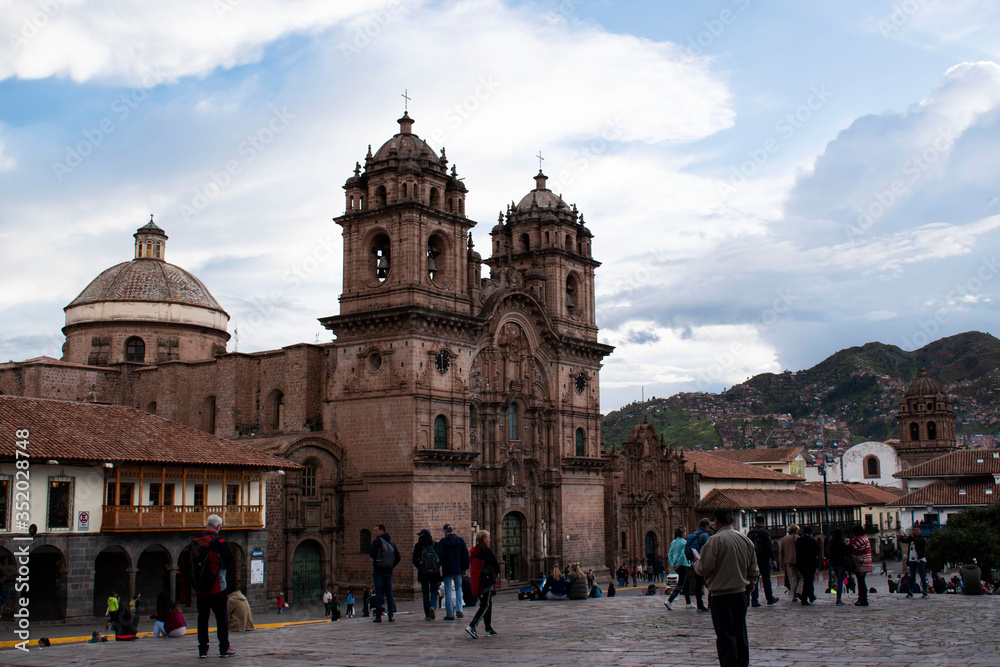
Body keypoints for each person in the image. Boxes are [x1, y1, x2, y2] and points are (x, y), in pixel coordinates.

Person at [692, 508, 759, 667]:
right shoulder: (746, 540)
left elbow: (704, 569)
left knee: (725, 637)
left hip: (721, 596)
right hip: (740, 594)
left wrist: (696, 561)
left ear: (717, 521)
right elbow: (753, 571)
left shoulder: (714, 541)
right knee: (741, 634)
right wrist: (748, 592)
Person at [185, 513, 236, 658]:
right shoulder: (220, 542)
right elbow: (228, 563)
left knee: (202, 618)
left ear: (207, 525)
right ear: (218, 527)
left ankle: (202, 650)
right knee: (221, 617)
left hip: (200, 589)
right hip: (217, 587)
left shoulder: (194, 542)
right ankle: (224, 648)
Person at [465, 529, 500, 639]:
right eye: (488, 538)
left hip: (477, 580)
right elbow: (495, 563)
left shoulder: (474, 550)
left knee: (487, 603)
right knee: (485, 604)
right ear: (484, 539)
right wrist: (497, 573)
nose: (489, 540)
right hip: (486, 580)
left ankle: (488, 628)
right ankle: (472, 625)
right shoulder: (486, 550)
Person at [436, 523, 470, 621]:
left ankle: (450, 613)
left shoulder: (443, 542)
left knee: (448, 590)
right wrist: (465, 568)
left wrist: (439, 567)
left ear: (445, 532)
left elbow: (440, 556)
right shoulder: (460, 540)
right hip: (458, 569)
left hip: (447, 569)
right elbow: (466, 556)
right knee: (458, 588)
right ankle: (459, 609)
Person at [369, 524, 401, 622]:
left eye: (376, 530)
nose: (374, 533)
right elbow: (398, 556)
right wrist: (391, 566)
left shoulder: (377, 541)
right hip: (388, 572)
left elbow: (371, 553)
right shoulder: (391, 542)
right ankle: (390, 615)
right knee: (389, 593)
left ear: (381, 531)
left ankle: (378, 616)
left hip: (379, 571)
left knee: (379, 594)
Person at [748, 515, 778, 607]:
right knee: (766, 579)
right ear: (763, 523)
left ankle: (754, 600)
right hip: (764, 559)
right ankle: (769, 598)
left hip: (753, 559)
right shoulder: (765, 533)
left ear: (755, 522)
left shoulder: (750, 533)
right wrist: (773, 559)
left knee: (755, 579)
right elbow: (769, 547)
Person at [413, 528, 441, 621]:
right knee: (434, 591)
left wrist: (420, 567)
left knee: (425, 593)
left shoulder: (418, 545)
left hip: (423, 573)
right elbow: (440, 558)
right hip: (434, 572)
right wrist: (437, 566)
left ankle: (427, 614)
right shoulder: (435, 544)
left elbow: (414, 560)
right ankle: (432, 606)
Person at [687, 518, 712, 612]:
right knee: (710, 583)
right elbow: (708, 550)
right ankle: (710, 604)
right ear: (706, 526)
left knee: (698, 584)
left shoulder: (692, 535)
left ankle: (700, 605)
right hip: (704, 563)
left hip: (695, 563)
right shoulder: (705, 536)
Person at [665, 526, 692, 610]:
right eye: (685, 532)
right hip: (683, 564)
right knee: (680, 584)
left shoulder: (673, 542)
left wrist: (673, 564)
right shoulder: (684, 542)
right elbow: (682, 555)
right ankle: (669, 601)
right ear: (683, 533)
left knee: (686, 583)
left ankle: (688, 603)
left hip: (677, 565)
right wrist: (677, 564)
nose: (686, 534)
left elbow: (670, 554)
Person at [899, 526, 928, 598]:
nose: (916, 532)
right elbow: (904, 541)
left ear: (920, 531)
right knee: (912, 576)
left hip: (920, 559)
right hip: (912, 560)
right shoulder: (911, 540)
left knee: (922, 576)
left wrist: (908, 536)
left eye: (917, 530)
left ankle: (925, 591)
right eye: (914, 530)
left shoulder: (922, 539)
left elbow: (917, 541)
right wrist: (901, 535)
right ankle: (910, 591)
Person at [795, 525, 820, 606]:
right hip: (810, 563)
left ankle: (811, 596)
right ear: (810, 533)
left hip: (800, 563)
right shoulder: (812, 540)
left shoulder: (799, 541)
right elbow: (817, 551)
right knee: (807, 580)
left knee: (807, 580)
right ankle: (804, 598)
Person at [848, 524, 872, 606]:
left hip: (861, 563)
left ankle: (863, 599)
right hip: (867, 562)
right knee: (862, 581)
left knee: (861, 582)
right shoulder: (865, 538)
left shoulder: (858, 539)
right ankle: (862, 598)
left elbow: (849, 547)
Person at [779, 524, 801, 602]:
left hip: (788, 561)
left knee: (792, 579)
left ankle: (793, 596)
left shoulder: (784, 539)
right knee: (801, 577)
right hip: (797, 561)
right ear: (796, 530)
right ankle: (799, 591)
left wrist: (782, 564)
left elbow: (781, 552)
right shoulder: (798, 538)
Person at [828, 528, 849, 606]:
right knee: (840, 582)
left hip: (834, 564)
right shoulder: (842, 544)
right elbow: (846, 553)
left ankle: (838, 598)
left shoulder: (831, 543)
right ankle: (838, 599)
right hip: (841, 564)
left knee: (838, 581)